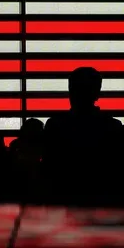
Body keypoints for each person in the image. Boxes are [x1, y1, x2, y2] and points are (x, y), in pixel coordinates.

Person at [42, 67, 123, 201]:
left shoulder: (55, 125)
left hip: (63, 198)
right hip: (102, 199)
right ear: (97, 93)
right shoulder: (112, 126)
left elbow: (48, 169)